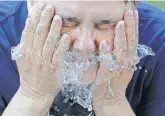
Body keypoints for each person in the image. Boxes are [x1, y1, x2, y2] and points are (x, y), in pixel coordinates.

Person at [0, 0, 165, 116]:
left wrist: (112, 102)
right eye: (66, 23)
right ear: (32, 4)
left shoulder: (159, 39)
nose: (85, 46)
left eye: (106, 25)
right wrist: (32, 96)